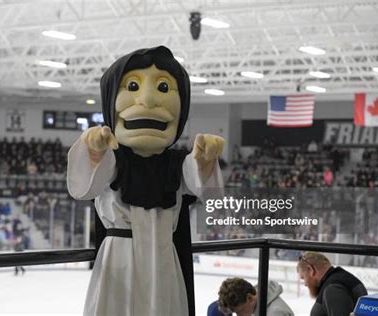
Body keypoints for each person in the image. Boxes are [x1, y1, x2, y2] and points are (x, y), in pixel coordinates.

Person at [67, 46, 224, 316]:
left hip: (164, 257)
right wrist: (93, 151)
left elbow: (210, 195)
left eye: (164, 87)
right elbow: (84, 188)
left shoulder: (179, 163)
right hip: (120, 258)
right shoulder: (114, 159)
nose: (149, 100)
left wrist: (206, 160)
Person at [297, 251, 367, 316]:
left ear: (310, 269)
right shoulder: (339, 279)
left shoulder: (333, 289)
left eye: (303, 277)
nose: (305, 284)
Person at [210, 277, 294, 316]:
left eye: (239, 311)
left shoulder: (276, 313)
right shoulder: (255, 301)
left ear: (249, 298)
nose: (238, 315)